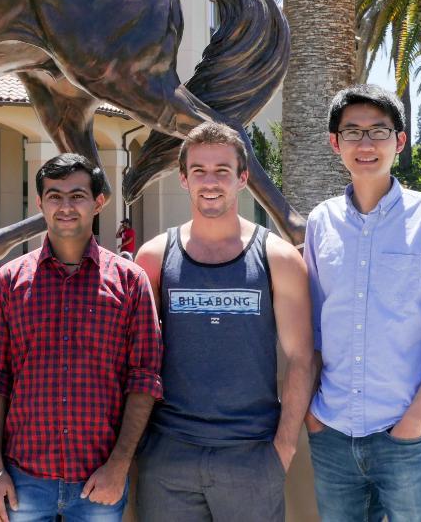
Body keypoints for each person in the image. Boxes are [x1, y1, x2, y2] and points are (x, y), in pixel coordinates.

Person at [305, 85, 421, 521]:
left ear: (399, 142)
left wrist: (414, 422)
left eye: (378, 131)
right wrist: (313, 416)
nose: (366, 144)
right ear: (334, 143)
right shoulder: (320, 222)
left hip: (408, 437)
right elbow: (314, 327)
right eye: (353, 132)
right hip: (333, 433)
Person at [133, 122, 313, 521]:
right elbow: (135, 359)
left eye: (222, 171)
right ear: (183, 178)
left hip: (250, 456)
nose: (209, 182)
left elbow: (302, 358)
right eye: (198, 170)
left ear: (242, 178)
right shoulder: (154, 257)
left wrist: (283, 448)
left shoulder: (278, 258)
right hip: (168, 458)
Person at [0, 153, 163, 522]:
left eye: (77, 196)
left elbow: (144, 380)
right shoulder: (11, 281)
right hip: (23, 477)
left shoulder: (130, 282)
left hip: (99, 478)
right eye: (55, 196)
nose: (65, 206)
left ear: (98, 202)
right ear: (40, 203)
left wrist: (119, 465)